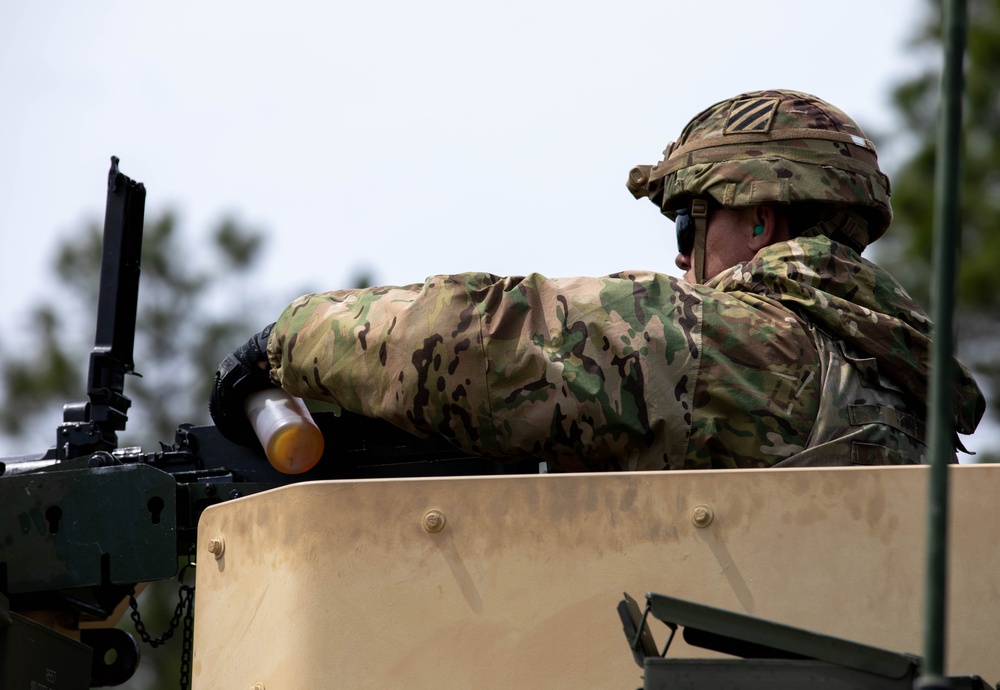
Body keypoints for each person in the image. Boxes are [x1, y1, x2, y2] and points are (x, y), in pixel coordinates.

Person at [210, 89, 985, 472]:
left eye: (689, 222)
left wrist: (291, 338)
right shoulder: (905, 400)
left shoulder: (748, 351)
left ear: (761, 218)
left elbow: (483, 338)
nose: (683, 257)